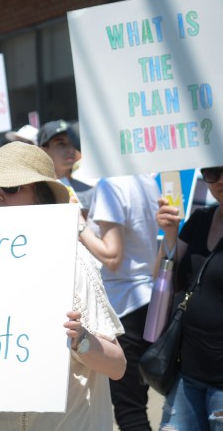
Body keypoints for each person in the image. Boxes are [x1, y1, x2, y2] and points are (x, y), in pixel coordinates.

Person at [0, 141, 126, 429]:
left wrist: (80, 338)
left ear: (40, 200)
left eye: (10, 187)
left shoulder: (70, 259)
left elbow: (117, 366)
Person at [79, 174, 160, 430]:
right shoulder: (146, 179)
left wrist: (79, 225)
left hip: (124, 305)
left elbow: (112, 256)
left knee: (129, 411)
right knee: (137, 403)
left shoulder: (109, 184)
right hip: (147, 300)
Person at [155, 164, 223, 430]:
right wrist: (169, 234)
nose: (220, 179)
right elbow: (162, 276)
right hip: (187, 374)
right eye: (212, 172)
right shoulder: (199, 220)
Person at [38, 119, 95, 211]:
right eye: (61, 144)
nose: (70, 150)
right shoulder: (36, 192)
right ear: (44, 151)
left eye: (72, 143)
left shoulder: (88, 190)